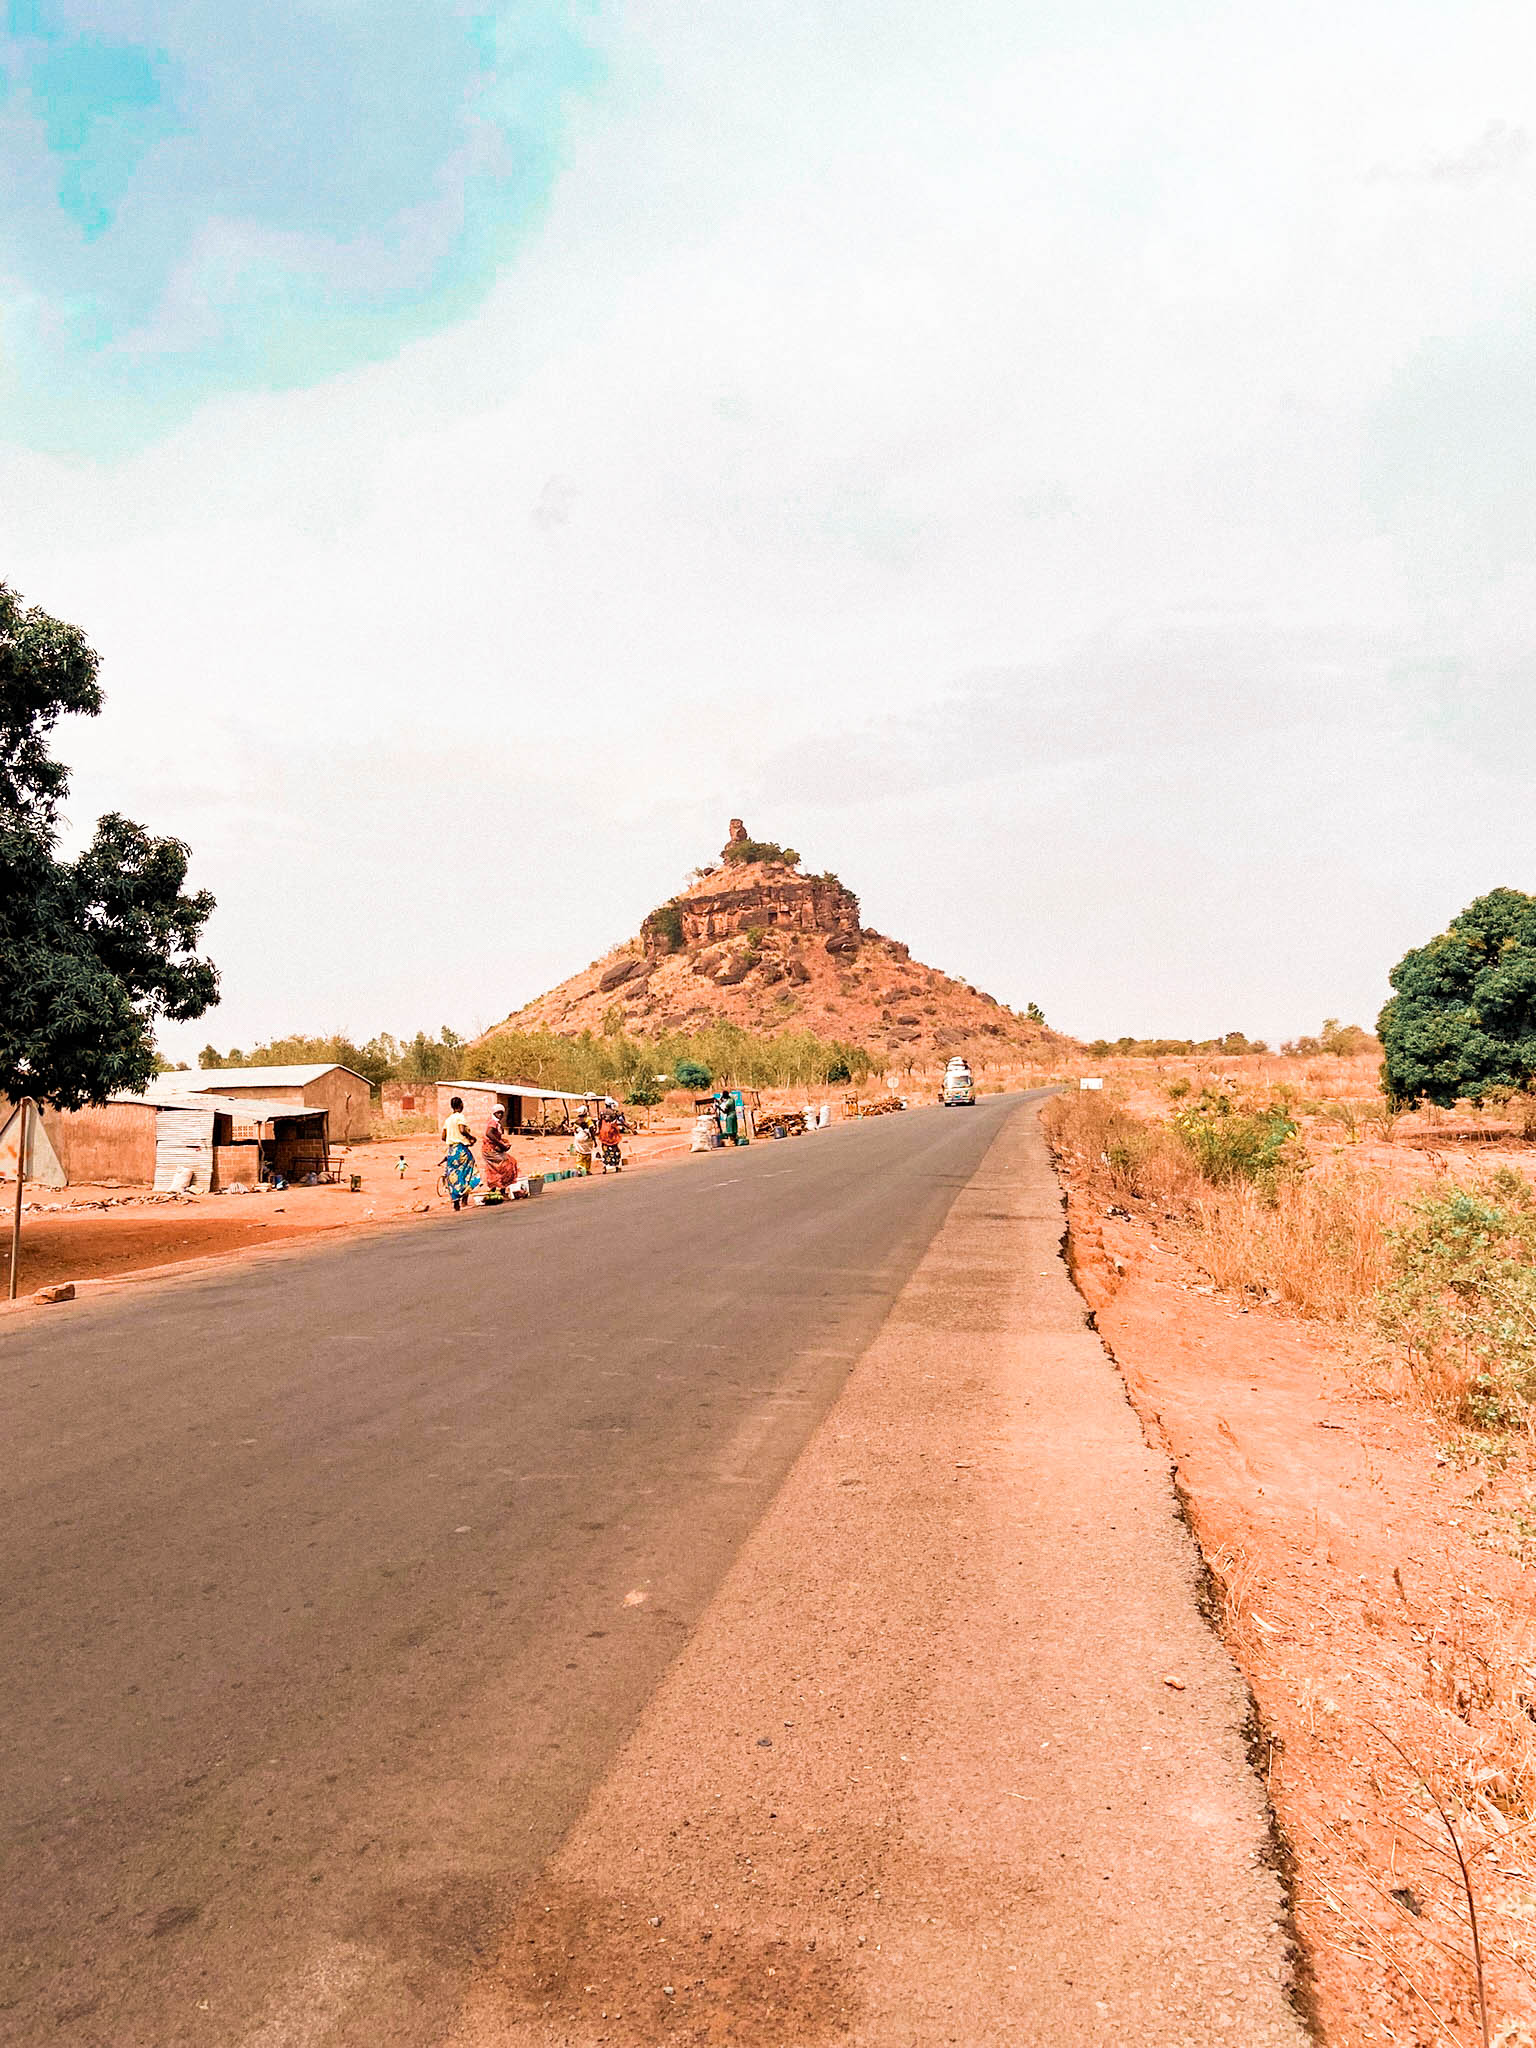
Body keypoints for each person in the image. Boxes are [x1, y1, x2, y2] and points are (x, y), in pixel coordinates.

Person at [441, 1095, 481, 1212]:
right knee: (468, 1172)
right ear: (461, 1105)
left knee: (454, 1176)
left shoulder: (448, 1120)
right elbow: (462, 1130)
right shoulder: (460, 1117)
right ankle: (464, 1200)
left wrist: (452, 1139)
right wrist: (471, 1137)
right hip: (461, 1150)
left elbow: (443, 1137)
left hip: (451, 1151)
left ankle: (456, 1203)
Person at [481, 1104, 518, 1197]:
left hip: (493, 1149)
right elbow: (489, 1134)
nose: (500, 1115)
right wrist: (501, 1145)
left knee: (495, 1168)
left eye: (502, 1113)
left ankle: (495, 1188)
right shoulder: (493, 1122)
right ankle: (501, 1188)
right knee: (508, 1164)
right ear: (494, 1113)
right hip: (490, 1150)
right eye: (498, 1113)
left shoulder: (496, 1123)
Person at [598, 1109, 623, 1173]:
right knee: (607, 1154)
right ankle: (605, 1167)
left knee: (614, 1153)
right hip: (606, 1140)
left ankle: (616, 1166)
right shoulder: (603, 1122)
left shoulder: (613, 1123)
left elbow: (622, 1123)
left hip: (612, 1140)